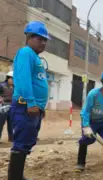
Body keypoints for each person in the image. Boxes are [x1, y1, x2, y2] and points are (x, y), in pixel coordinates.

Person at [7, 21, 50, 180]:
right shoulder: (26, 52)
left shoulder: (35, 57)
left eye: (45, 40)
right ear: (30, 37)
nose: (43, 43)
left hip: (33, 108)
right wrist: (31, 103)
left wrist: (40, 107)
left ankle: (18, 176)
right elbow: (24, 80)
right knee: (21, 143)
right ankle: (14, 178)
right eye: (40, 39)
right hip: (25, 106)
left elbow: (36, 81)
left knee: (27, 142)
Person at [0, 71, 14, 142]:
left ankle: (11, 138)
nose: (13, 81)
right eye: (12, 79)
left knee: (11, 123)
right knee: (1, 123)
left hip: (12, 106)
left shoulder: (14, 87)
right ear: (8, 78)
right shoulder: (1, 85)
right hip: (3, 105)